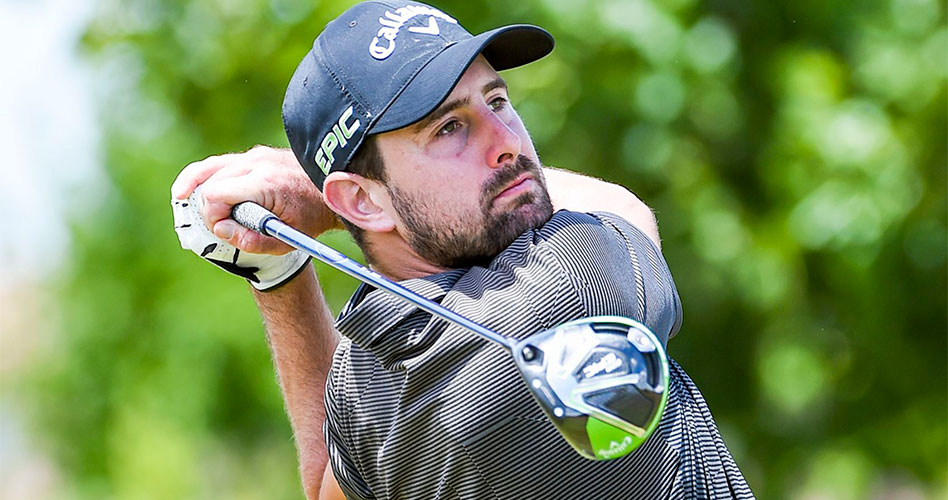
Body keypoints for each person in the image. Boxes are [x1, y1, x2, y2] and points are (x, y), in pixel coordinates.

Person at [171, 1, 754, 498]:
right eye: (449, 127)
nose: (508, 143)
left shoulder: (366, 375)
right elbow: (622, 206)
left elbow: (329, 482)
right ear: (361, 200)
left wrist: (278, 274)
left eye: (496, 102)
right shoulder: (569, 287)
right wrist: (316, 201)